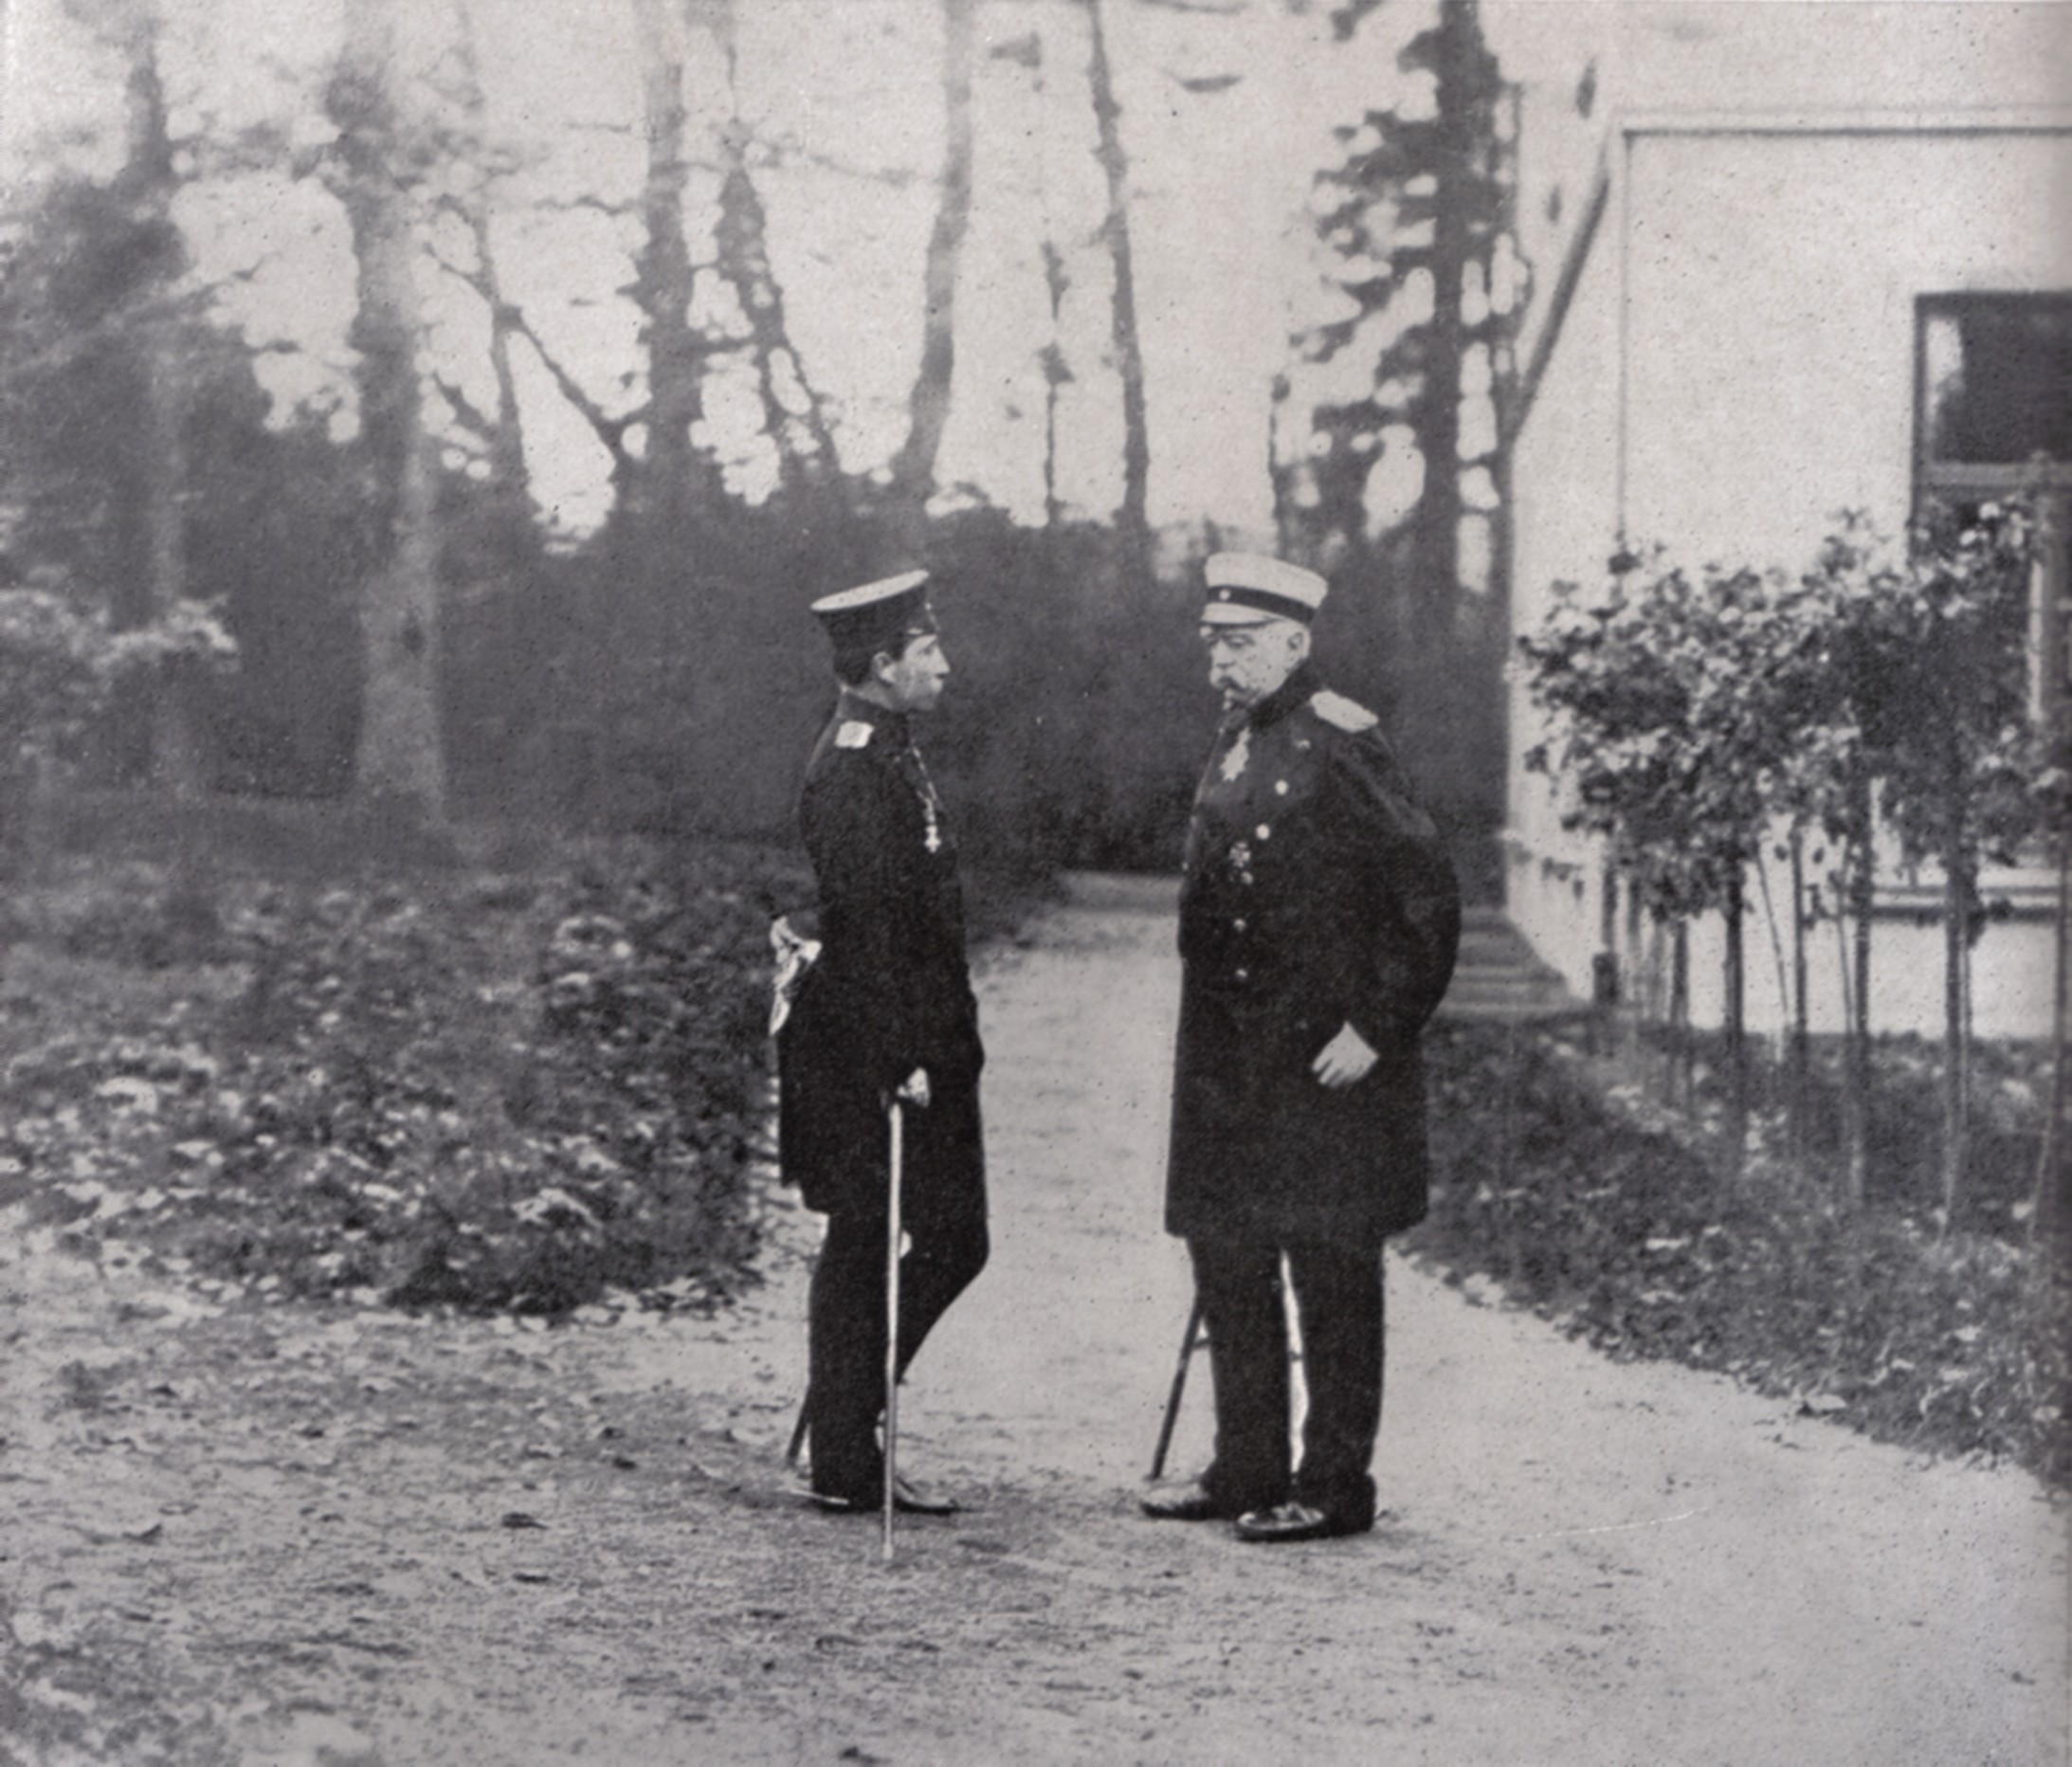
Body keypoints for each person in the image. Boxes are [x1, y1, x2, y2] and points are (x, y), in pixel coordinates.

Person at [1142, 552, 1462, 1543]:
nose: (1219, 666)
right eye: (1213, 647)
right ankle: (1247, 1463)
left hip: (1325, 1062)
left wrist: (1376, 1026)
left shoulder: (1342, 743)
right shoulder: (1234, 744)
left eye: (1238, 646)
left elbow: (1425, 900)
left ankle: (1331, 1484)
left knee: (1329, 1269)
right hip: (1233, 1064)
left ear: (1293, 642)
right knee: (1228, 1258)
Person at [774, 569, 988, 1516]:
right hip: (874, 1048)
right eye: (927, 650)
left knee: (934, 1238)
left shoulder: (892, 749)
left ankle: (842, 1418)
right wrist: (896, 1060)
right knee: (876, 1236)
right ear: (883, 664)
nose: (944, 664)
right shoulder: (856, 765)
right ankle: (844, 1447)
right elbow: (863, 930)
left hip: (920, 1045)